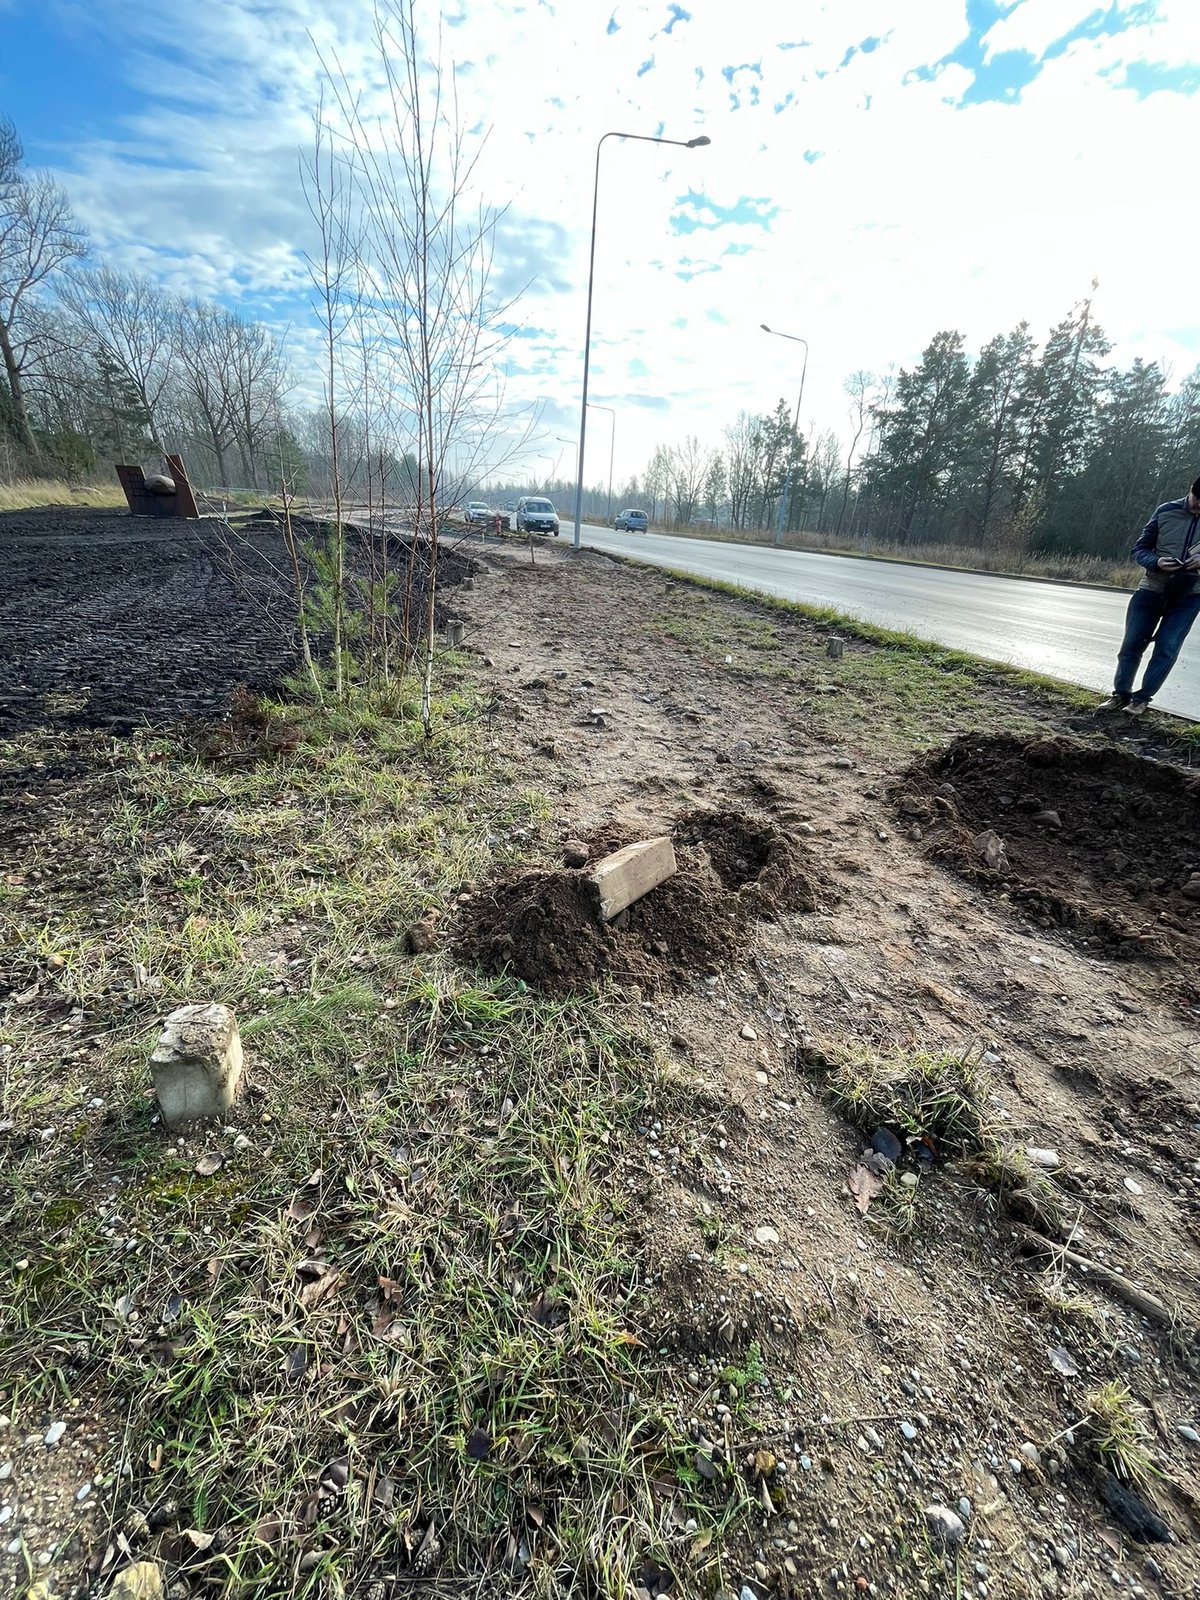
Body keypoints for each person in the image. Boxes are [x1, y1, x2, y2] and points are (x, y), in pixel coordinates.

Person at [1099, 476, 1200, 715]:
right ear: (1190, 491)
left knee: (1167, 647)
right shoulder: (1166, 511)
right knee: (1132, 643)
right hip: (1152, 588)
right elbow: (1139, 549)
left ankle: (1142, 699)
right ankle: (1120, 694)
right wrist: (1156, 562)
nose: (1198, 506)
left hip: (1190, 595)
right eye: (1197, 499)